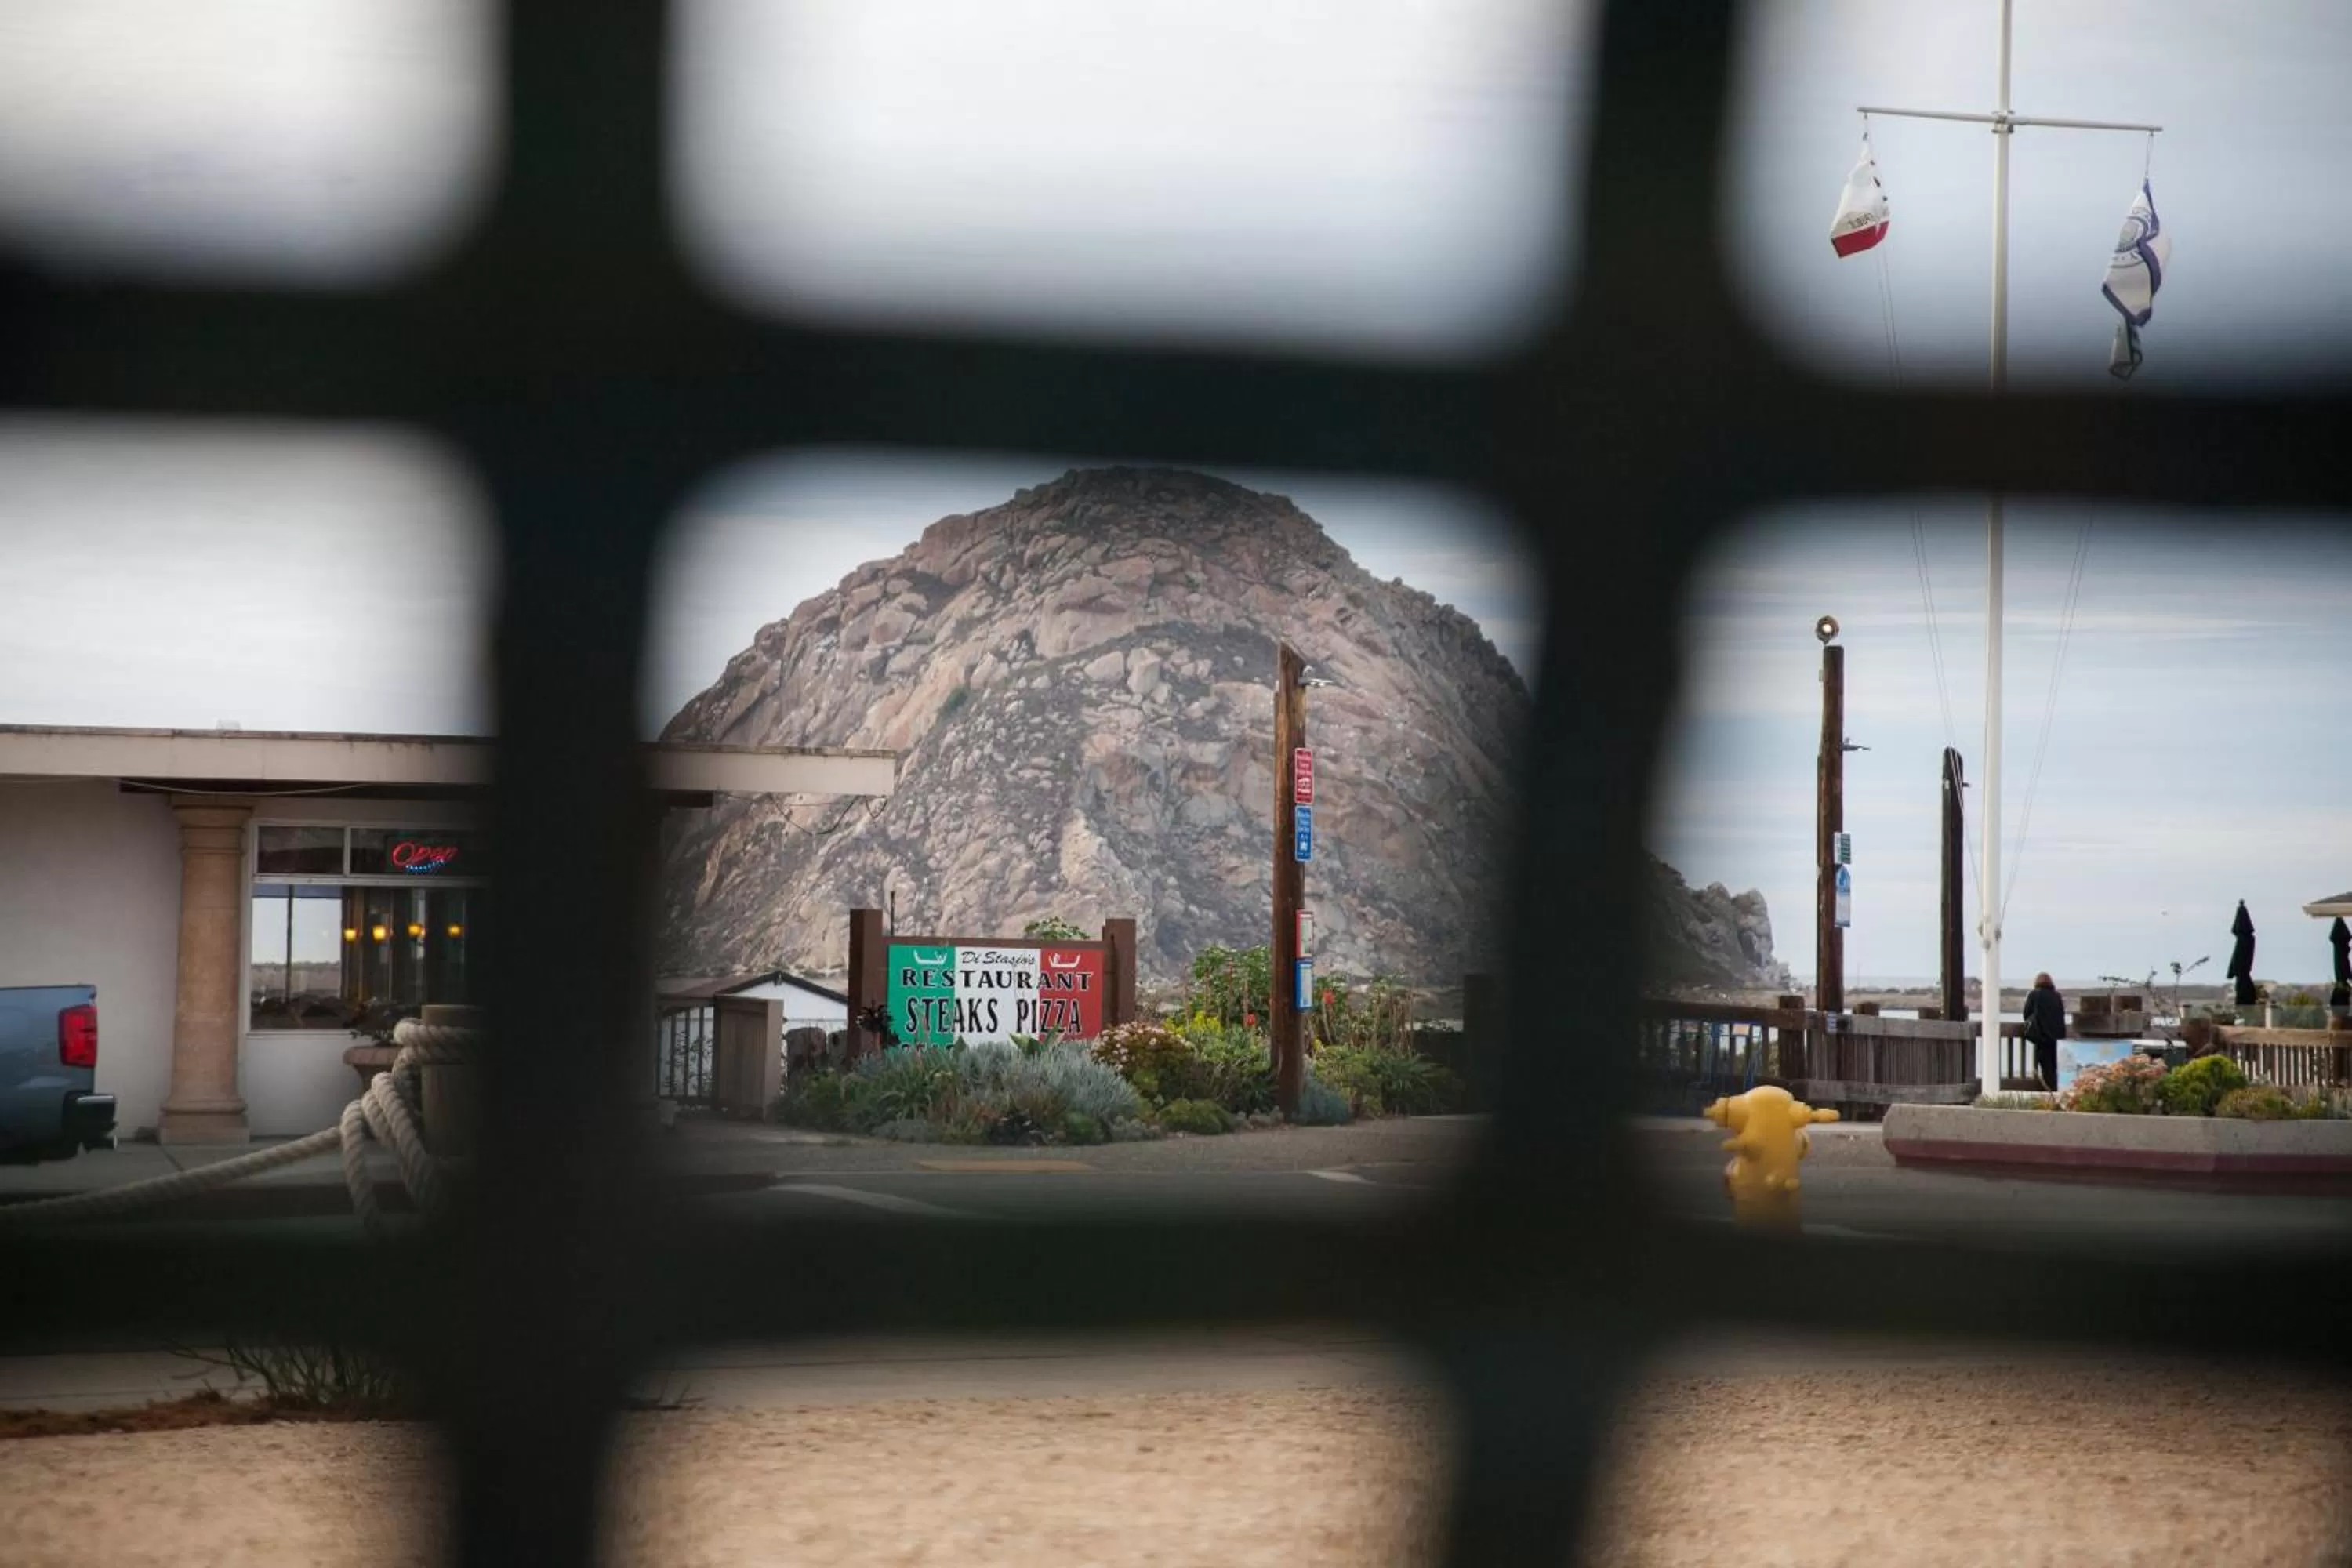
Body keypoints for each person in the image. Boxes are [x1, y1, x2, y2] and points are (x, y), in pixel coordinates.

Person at [2023, 972, 2067, 1091]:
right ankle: (2057, 1090)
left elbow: (2026, 1014)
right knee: (2055, 1067)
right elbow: (2061, 1014)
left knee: (2046, 1068)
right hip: (2057, 1038)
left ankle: (2050, 1092)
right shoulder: (2057, 996)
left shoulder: (2034, 995)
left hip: (2041, 1037)